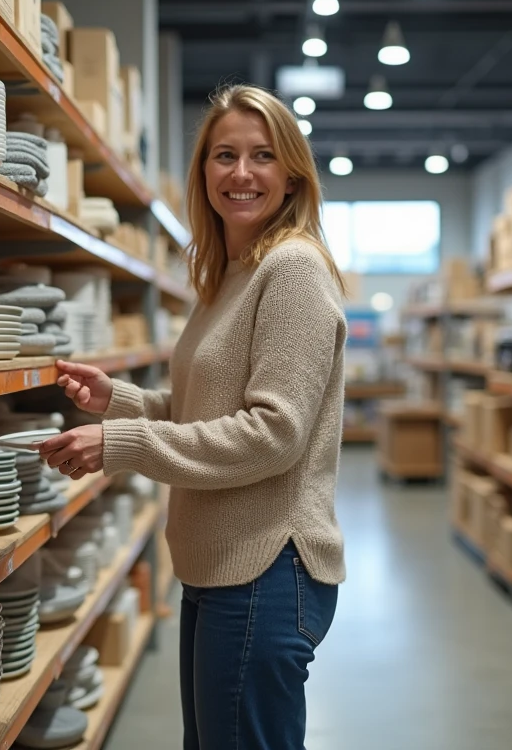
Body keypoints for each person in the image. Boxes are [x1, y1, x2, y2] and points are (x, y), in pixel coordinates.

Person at [37, 83, 347, 750]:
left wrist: (122, 443)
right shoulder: (229, 275)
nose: (241, 173)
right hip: (219, 561)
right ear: (203, 170)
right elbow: (202, 413)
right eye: (223, 155)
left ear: (292, 174)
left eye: (262, 155)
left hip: (266, 564)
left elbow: (273, 435)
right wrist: (117, 401)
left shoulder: (291, 270)